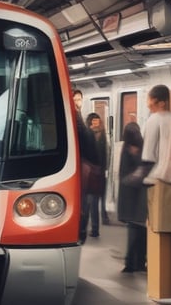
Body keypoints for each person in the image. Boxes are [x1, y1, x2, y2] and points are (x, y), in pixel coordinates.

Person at [117, 122, 147, 272]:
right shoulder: (136, 147)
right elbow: (140, 171)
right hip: (135, 196)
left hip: (131, 196)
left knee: (136, 230)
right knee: (138, 230)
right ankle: (135, 263)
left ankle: (133, 263)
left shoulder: (128, 146)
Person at [73, 89, 99, 242]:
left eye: (80, 99)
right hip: (80, 165)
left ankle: (82, 230)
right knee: (83, 202)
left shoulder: (80, 118)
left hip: (84, 165)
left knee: (85, 202)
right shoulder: (75, 119)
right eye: (75, 99)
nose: (78, 102)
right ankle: (80, 231)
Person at [86, 112, 108, 237]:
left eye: (97, 121)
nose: (95, 123)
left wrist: (104, 169)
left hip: (97, 172)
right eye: (93, 121)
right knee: (89, 202)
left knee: (93, 201)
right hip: (89, 171)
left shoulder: (102, 135)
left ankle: (94, 228)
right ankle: (89, 228)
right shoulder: (87, 134)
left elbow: (104, 153)